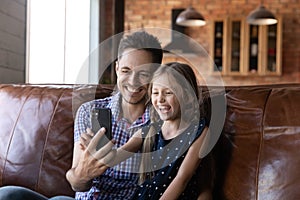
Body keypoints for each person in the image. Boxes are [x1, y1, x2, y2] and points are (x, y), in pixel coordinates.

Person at [0, 30, 163, 200]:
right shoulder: (89, 111)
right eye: (126, 71)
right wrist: (83, 173)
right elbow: (77, 183)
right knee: (8, 194)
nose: (132, 81)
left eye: (143, 74)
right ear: (116, 69)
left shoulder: (160, 119)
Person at [81, 62, 211, 199]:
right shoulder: (151, 130)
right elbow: (118, 155)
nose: (160, 99)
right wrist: (95, 151)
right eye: (155, 93)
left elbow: (182, 178)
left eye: (168, 93)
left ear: (188, 96)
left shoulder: (199, 132)